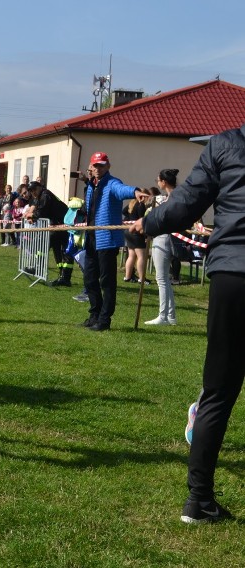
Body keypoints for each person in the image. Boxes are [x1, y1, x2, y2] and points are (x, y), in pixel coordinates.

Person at [131, 124, 245, 524]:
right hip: (234, 269)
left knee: (217, 391)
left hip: (233, 276)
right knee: (217, 390)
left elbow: (185, 205)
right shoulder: (226, 144)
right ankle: (199, 501)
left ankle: (199, 500)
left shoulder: (225, 143)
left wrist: (147, 223)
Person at [76, 152, 142, 331]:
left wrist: (135, 191)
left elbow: (122, 190)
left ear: (108, 166)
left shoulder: (112, 183)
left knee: (107, 282)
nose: (98, 169)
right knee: (89, 279)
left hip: (107, 241)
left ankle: (105, 320)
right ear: (91, 167)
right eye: (95, 165)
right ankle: (94, 314)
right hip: (91, 239)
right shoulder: (91, 186)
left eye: (101, 165)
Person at [145, 169, 180, 326]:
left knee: (161, 279)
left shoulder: (170, 198)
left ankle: (163, 316)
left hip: (163, 237)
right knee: (164, 278)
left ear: (163, 182)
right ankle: (171, 316)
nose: (157, 183)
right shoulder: (171, 196)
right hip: (165, 237)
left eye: (157, 180)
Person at [25, 180, 72, 286]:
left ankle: (40, 269)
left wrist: (32, 216)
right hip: (57, 225)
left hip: (63, 225)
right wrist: (31, 215)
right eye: (31, 191)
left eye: (34, 190)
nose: (33, 193)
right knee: (57, 251)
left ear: (40, 187)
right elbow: (37, 210)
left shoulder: (45, 195)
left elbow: (42, 211)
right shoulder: (40, 196)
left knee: (45, 245)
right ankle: (63, 277)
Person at [122, 190, 151, 284]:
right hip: (136, 233)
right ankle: (141, 278)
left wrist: (129, 219)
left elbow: (124, 211)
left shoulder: (131, 203)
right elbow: (141, 218)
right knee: (141, 256)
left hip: (128, 231)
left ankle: (127, 276)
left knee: (131, 255)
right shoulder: (141, 205)